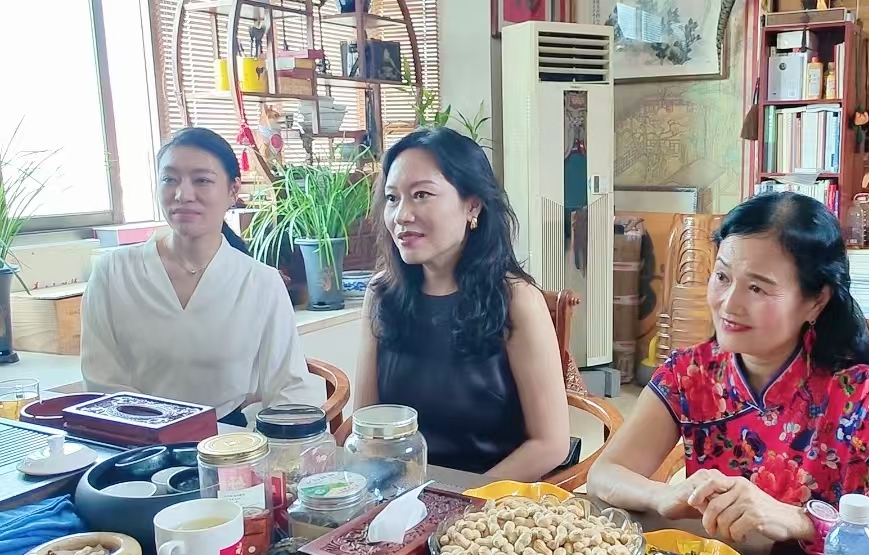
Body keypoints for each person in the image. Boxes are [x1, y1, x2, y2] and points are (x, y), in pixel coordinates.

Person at [587, 192, 869, 551]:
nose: (729, 303)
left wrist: (800, 520)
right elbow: (605, 474)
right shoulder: (689, 374)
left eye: (757, 288)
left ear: (816, 301)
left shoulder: (865, 395)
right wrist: (662, 495)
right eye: (722, 276)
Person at [354, 127, 569, 480]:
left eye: (421, 195)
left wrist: (462, 500)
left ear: (473, 205)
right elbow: (367, 424)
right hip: (400, 493)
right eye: (392, 198)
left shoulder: (516, 300)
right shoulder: (381, 294)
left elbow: (550, 444)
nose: (402, 215)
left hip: (488, 498)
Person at [81, 127, 317, 426]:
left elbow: (288, 389)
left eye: (202, 180)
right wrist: (161, 433)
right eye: (170, 179)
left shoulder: (261, 283)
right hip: (135, 437)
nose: (183, 195)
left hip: (227, 441)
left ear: (233, 190)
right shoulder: (113, 272)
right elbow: (101, 381)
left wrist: (284, 447)